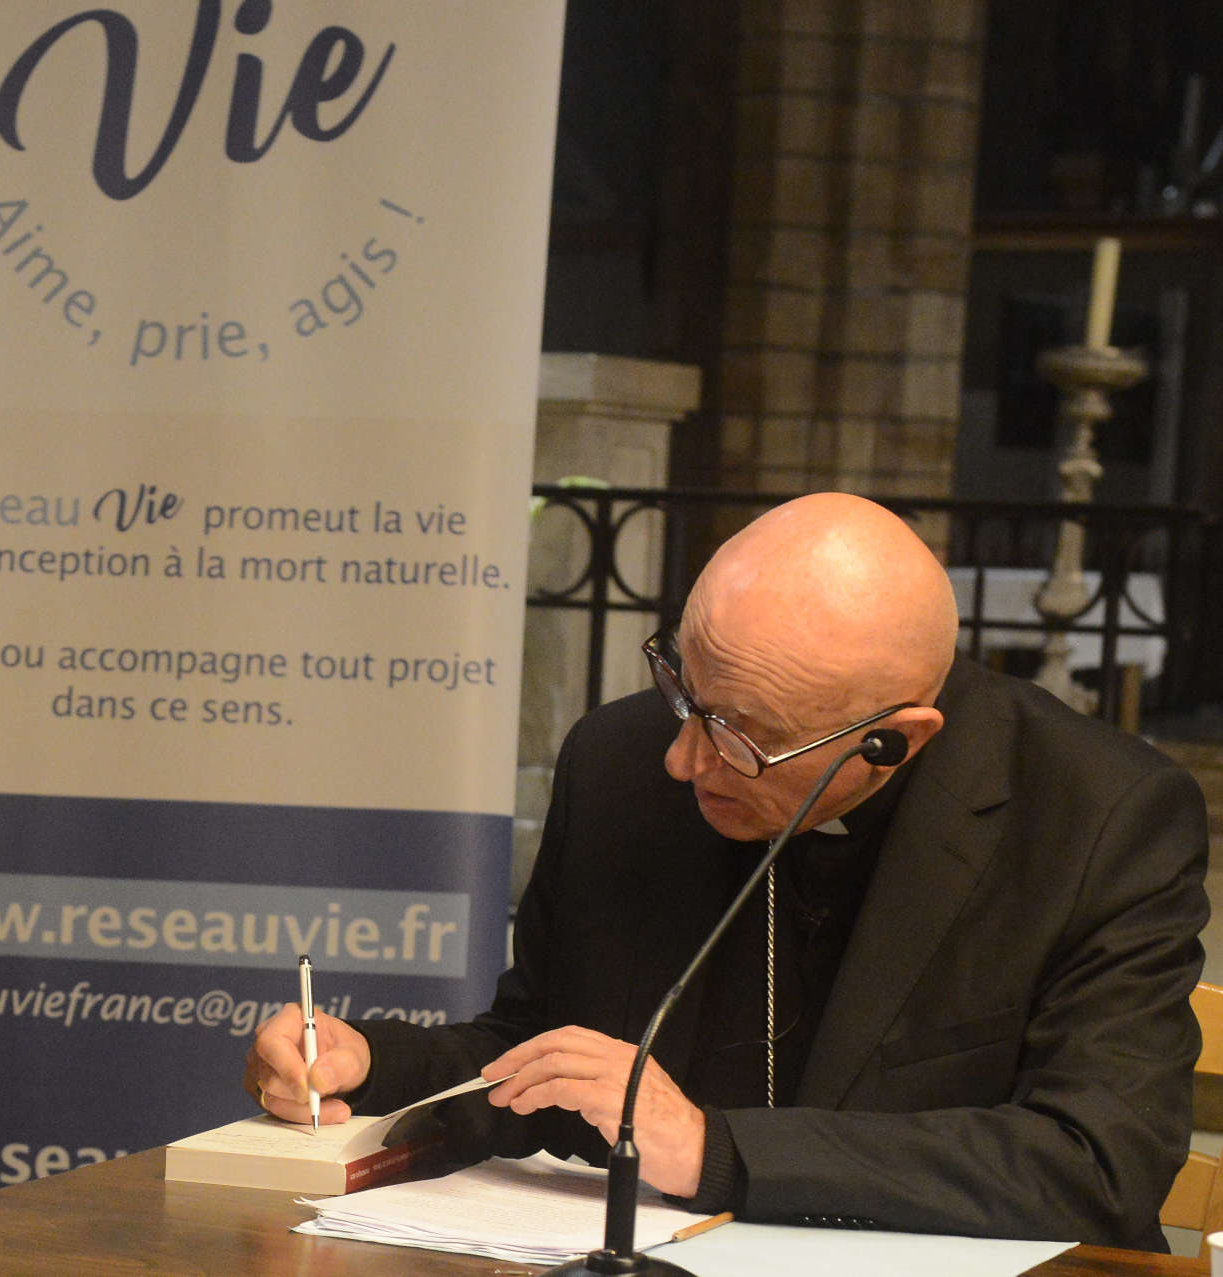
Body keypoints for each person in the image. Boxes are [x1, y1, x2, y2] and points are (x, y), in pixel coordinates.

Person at [247, 492, 1209, 1249]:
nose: (686, 761)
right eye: (687, 692)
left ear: (894, 740)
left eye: (745, 737)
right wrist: (373, 1064)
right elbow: (545, 1048)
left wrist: (716, 1151)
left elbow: (1095, 1163)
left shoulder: (1097, 818)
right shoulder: (622, 761)